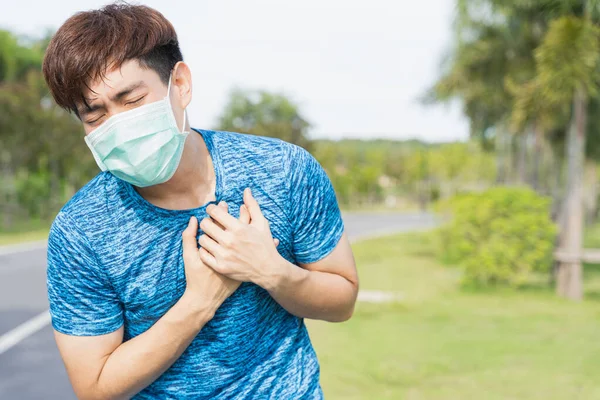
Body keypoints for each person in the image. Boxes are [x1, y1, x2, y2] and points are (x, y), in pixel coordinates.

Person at [42, 3, 358, 399]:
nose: (117, 124)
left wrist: (272, 271)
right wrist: (199, 302)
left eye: (131, 99)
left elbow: (342, 301)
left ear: (181, 84)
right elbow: (94, 387)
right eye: (95, 115)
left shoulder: (282, 170)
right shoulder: (81, 231)